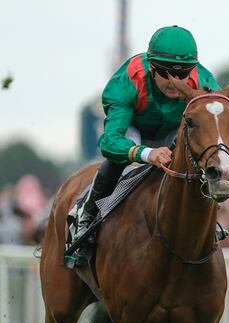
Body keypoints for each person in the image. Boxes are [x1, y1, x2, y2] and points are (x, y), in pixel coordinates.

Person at [72, 25, 220, 263]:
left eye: (182, 74)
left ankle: (208, 222)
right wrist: (146, 153)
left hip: (174, 129)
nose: (175, 82)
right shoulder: (127, 81)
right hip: (135, 128)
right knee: (118, 159)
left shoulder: (205, 83)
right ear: (152, 67)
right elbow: (109, 142)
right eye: (166, 73)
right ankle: (86, 216)